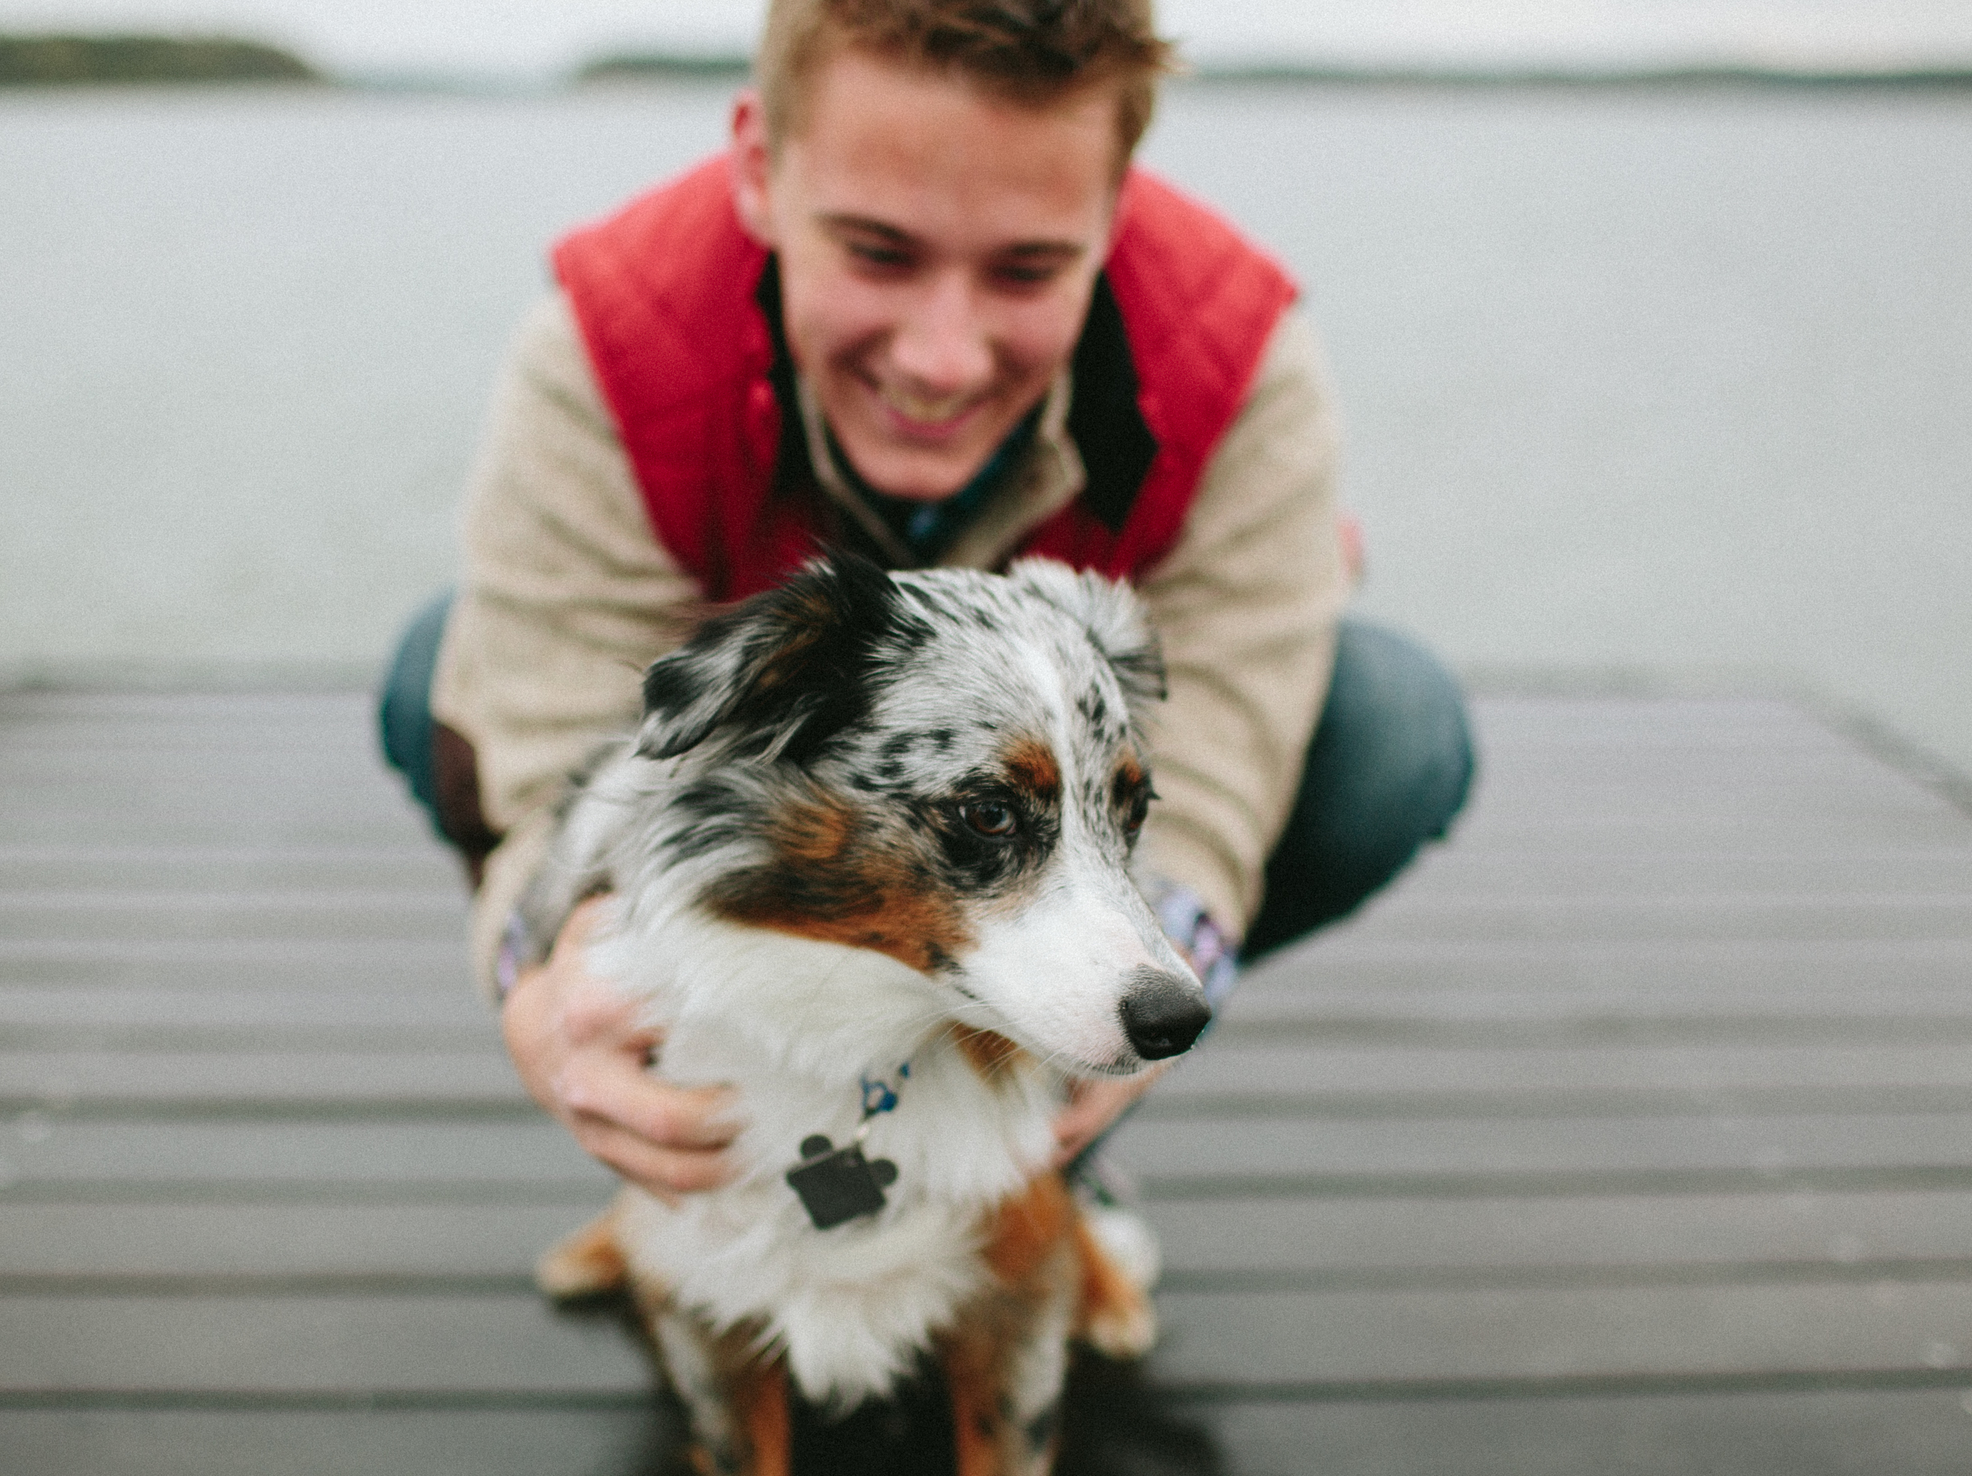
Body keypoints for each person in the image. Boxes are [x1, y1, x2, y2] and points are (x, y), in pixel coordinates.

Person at [380, 0, 1475, 1202]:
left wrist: (1156, 959)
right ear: (758, 169)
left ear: (1113, 213)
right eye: (878, 252)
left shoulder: (1241, 361)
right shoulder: (605, 343)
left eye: (1026, 268)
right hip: (757, 791)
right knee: (436, 667)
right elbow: (552, 760)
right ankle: (709, 1090)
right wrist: (543, 986)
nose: (940, 357)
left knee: (1388, 722)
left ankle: (1024, 1090)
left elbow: (1220, 740)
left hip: (1038, 806)